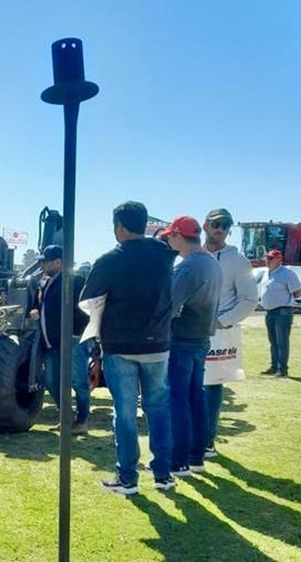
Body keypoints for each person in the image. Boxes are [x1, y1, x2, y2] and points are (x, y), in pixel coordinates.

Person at [81, 201, 176, 495]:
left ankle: (127, 477)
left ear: (119, 227)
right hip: (158, 343)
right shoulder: (164, 255)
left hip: (120, 345)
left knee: (124, 412)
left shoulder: (109, 260)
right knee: (158, 408)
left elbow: (88, 301)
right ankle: (163, 473)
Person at [161, 216, 222, 476]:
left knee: (178, 399)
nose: (168, 241)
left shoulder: (187, 267)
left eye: (169, 237)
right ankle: (196, 455)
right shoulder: (211, 262)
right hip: (201, 339)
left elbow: (169, 306)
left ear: (177, 236)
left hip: (182, 340)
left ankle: (179, 460)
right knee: (196, 396)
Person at [201, 208, 258, 457]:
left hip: (219, 333)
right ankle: (188, 438)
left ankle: (206, 441)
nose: (220, 229)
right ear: (205, 225)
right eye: (216, 224)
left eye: (225, 225)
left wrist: (223, 321)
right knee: (186, 384)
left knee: (212, 386)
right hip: (188, 332)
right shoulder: (192, 255)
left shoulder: (238, 260)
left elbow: (249, 299)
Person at [30, 244, 91, 435]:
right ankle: (66, 416)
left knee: (78, 381)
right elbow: (40, 305)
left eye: (45, 261)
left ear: (58, 262)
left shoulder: (75, 281)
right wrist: (34, 311)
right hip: (52, 343)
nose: (42, 265)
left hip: (72, 341)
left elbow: (85, 310)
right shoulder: (46, 282)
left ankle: (82, 421)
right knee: (50, 380)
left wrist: (76, 332)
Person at [260, 250, 301, 377]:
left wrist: (287, 299)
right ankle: (274, 366)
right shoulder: (266, 273)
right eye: (267, 258)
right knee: (273, 340)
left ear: (279, 260)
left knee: (282, 341)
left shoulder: (287, 273)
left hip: (283, 311)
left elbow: (298, 291)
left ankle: (282, 369)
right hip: (269, 311)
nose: (267, 260)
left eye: (271, 258)